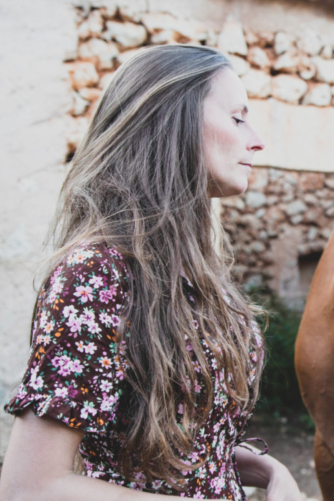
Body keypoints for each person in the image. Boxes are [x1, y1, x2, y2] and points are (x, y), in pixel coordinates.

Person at [0, 45, 303, 501]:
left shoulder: (196, 273)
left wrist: (269, 470)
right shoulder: (96, 275)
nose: (256, 140)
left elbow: (179, 439)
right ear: (171, 121)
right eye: (238, 118)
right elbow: (30, 487)